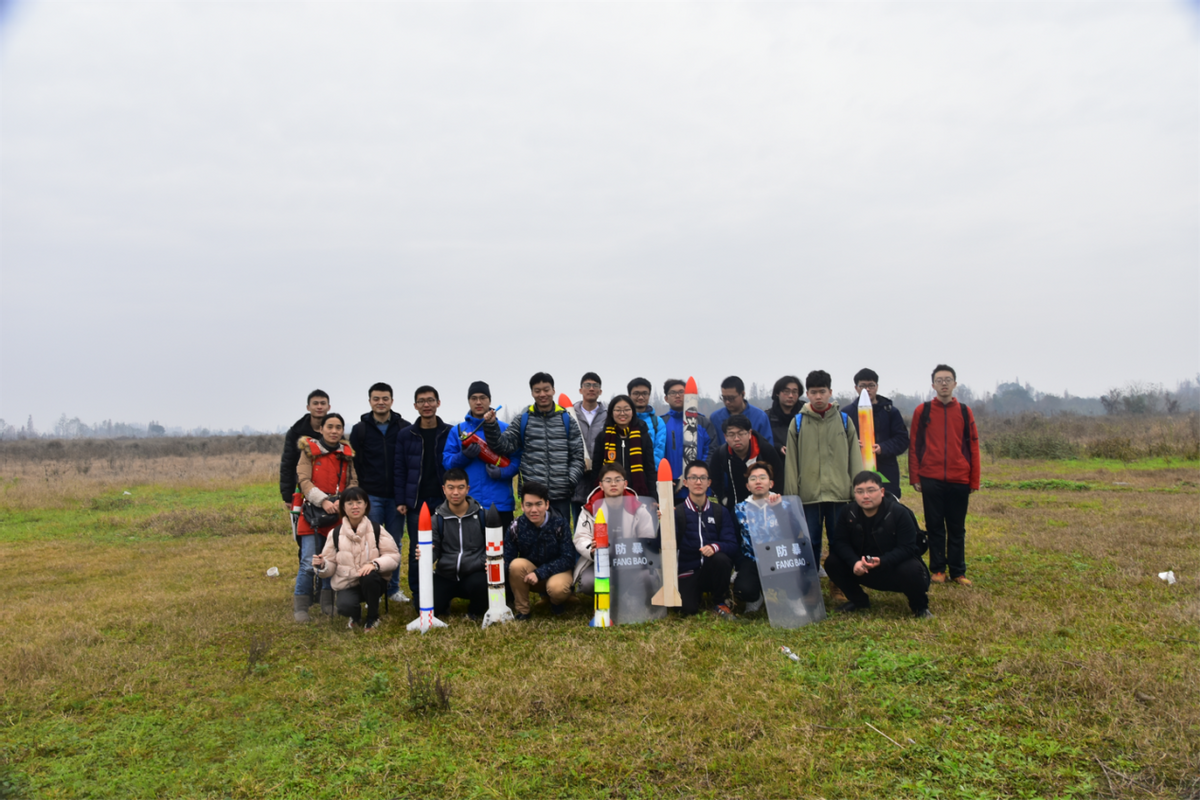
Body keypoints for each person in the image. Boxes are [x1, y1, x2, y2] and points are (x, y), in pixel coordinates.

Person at [782, 370, 863, 580]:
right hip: (809, 496)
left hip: (840, 494)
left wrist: (858, 491)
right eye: (814, 392)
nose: (818, 397)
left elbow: (855, 458)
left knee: (840, 541)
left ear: (830, 392)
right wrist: (791, 497)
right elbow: (791, 463)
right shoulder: (798, 423)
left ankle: (840, 583)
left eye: (822, 392)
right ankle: (809, 585)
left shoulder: (845, 421)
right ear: (807, 394)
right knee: (810, 541)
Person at [909, 364, 980, 586]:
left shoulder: (965, 411)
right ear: (933, 385)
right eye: (939, 380)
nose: (944, 383)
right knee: (935, 526)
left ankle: (958, 571)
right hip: (931, 477)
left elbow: (974, 446)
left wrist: (973, 479)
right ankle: (938, 569)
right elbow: (915, 445)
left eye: (948, 379)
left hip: (959, 478)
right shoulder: (924, 411)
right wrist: (915, 477)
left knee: (957, 527)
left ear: (955, 384)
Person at [825, 471, 932, 618]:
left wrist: (882, 561)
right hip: (863, 569)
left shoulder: (899, 513)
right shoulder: (848, 512)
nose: (866, 496)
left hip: (894, 569)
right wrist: (854, 562)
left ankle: (919, 607)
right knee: (832, 562)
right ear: (854, 493)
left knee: (911, 569)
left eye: (871, 490)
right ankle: (859, 601)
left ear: (882, 492)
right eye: (860, 491)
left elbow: (908, 548)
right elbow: (840, 542)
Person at [482, 372, 584, 525]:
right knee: (531, 543)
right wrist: (491, 426)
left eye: (546, 389)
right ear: (532, 393)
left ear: (553, 390)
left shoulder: (567, 419)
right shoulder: (523, 419)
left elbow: (577, 456)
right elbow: (503, 445)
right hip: (533, 497)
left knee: (561, 540)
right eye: (537, 390)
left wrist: (569, 481)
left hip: (560, 495)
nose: (542, 394)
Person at [349, 382, 411, 603]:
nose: (381, 402)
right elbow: (354, 463)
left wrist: (404, 496)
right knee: (369, 544)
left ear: (392, 401)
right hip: (371, 496)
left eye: (385, 398)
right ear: (370, 402)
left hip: (396, 496)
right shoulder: (360, 429)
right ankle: (370, 590)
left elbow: (408, 462)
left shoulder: (404, 427)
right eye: (376, 398)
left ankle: (393, 589)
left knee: (394, 544)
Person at [294, 412, 358, 622]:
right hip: (312, 514)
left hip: (337, 515)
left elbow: (353, 482)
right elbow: (304, 480)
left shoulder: (347, 455)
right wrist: (323, 501)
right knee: (308, 561)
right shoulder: (308, 452)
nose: (334, 431)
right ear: (320, 429)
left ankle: (327, 602)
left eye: (338, 427)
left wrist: (343, 501)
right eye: (329, 427)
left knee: (331, 559)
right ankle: (301, 606)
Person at [312, 486, 400, 630]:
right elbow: (330, 566)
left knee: (369, 577)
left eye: (359, 502)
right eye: (349, 503)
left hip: (374, 583)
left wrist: (375, 564)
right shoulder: (334, 534)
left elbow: (394, 556)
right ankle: (356, 615)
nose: (355, 507)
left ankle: (373, 617)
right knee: (344, 606)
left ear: (366, 505)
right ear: (343, 507)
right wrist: (322, 565)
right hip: (347, 583)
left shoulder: (377, 529)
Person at [394, 386, 451, 601]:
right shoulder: (406, 435)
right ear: (415, 406)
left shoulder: (449, 432)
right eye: (421, 401)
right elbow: (399, 469)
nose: (426, 405)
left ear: (438, 402)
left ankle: (443, 592)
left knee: (447, 546)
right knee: (418, 549)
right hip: (417, 502)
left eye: (430, 400)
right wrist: (401, 500)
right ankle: (418, 593)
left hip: (445, 500)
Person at [442, 381, 522, 529]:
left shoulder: (505, 429)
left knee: (499, 550)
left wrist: (502, 472)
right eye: (473, 398)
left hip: (500, 504)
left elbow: (517, 460)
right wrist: (464, 456)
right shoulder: (458, 431)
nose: (478, 402)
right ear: (468, 401)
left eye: (483, 397)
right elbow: (447, 462)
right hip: (467, 504)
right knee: (471, 550)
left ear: (490, 400)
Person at [571, 463, 657, 594]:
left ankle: (626, 593)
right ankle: (609, 593)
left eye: (618, 480)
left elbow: (648, 538)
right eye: (608, 480)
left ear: (625, 483)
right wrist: (592, 549)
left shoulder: (638, 508)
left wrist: (636, 550)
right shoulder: (590, 509)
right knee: (588, 583)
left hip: (630, 562)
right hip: (599, 562)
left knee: (649, 579)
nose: (613, 484)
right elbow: (580, 538)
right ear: (600, 485)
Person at [674, 461, 739, 619]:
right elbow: (661, 544)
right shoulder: (677, 512)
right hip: (687, 572)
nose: (698, 482)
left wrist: (716, 547)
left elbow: (732, 544)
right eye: (693, 478)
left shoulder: (720, 511)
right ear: (685, 482)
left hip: (712, 569)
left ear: (709, 482)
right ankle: (693, 595)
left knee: (722, 558)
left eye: (703, 478)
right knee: (687, 610)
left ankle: (720, 601)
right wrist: (664, 524)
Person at [504, 482, 576, 620]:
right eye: (529, 505)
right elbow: (508, 558)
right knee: (516, 565)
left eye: (539, 504)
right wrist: (495, 568)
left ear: (547, 505)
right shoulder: (516, 526)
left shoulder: (560, 523)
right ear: (522, 506)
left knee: (557, 589)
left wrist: (540, 572)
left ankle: (556, 602)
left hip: (557, 572)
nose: (534, 510)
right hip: (531, 575)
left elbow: (568, 557)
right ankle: (522, 610)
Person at [427, 468, 489, 621]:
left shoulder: (483, 516)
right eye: (451, 487)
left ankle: (474, 611)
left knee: (481, 584)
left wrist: (481, 563)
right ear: (444, 489)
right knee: (424, 606)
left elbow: (492, 547)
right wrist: (426, 554)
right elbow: (435, 550)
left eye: (461, 487)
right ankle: (444, 602)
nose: (456, 492)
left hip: (474, 574)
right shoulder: (436, 519)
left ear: (467, 489)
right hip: (446, 574)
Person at [845, 368, 909, 498]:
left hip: (886, 470)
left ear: (877, 387)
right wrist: (850, 444)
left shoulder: (891, 412)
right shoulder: (846, 414)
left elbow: (902, 439)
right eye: (862, 386)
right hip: (856, 470)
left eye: (871, 385)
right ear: (856, 388)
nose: (867, 389)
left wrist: (883, 448)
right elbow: (838, 441)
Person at [709, 413, 784, 523]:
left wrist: (774, 502)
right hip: (735, 510)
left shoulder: (765, 450)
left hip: (765, 509)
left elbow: (778, 477)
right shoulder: (721, 454)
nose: (736, 438)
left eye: (741, 434)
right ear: (725, 437)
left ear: (749, 433)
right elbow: (714, 483)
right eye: (731, 434)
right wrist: (722, 503)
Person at [731, 463, 785, 612]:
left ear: (771, 483)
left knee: (801, 581)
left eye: (763, 477)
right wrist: (741, 565)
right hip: (753, 559)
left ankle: (793, 598)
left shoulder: (784, 504)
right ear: (748, 486)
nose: (758, 482)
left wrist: (778, 510)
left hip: (781, 557)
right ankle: (755, 597)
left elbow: (795, 533)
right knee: (744, 589)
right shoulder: (739, 509)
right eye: (753, 479)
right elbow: (735, 539)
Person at [590, 394, 656, 496]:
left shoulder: (643, 435)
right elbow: (597, 469)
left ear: (633, 412)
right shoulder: (603, 437)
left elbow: (650, 468)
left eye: (626, 409)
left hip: (639, 492)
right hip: (610, 494)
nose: (622, 413)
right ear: (611, 413)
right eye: (618, 410)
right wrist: (595, 493)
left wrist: (653, 495)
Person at [660, 378, 719, 487]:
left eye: (681, 392)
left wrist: (700, 473)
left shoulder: (702, 422)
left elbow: (711, 450)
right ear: (666, 398)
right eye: (673, 393)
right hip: (670, 485)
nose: (677, 396)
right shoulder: (661, 423)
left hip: (698, 485)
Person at [279, 389, 329, 515]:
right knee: (302, 527)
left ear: (328, 407)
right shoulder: (295, 432)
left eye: (323, 403)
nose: (319, 406)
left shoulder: (334, 430)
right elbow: (288, 464)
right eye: (315, 403)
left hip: (329, 488)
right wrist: (287, 495)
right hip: (302, 489)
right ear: (308, 407)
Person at [570, 373, 607, 525]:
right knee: (579, 526)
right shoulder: (570, 414)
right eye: (587, 385)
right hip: (577, 481)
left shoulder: (608, 415)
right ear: (580, 390)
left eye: (595, 386)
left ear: (600, 391)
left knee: (602, 525)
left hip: (601, 480)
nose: (591, 389)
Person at [709, 376, 774, 448]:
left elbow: (768, 447)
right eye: (724, 398)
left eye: (731, 398)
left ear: (742, 394)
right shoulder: (715, 418)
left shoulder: (760, 417)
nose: (727, 402)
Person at [627, 377, 666, 464]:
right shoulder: (623, 420)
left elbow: (659, 450)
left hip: (650, 472)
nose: (641, 397)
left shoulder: (657, 422)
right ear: (629, 396)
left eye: (645, 393)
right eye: (636, 393)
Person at [767, 375, 804, 458]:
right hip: (777, 461)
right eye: (786, 392)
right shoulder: (768, 417)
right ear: (777, 393)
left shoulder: (806, 415)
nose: (790, 395)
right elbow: (763, 441)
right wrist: (777, 447)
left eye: (794, 392)